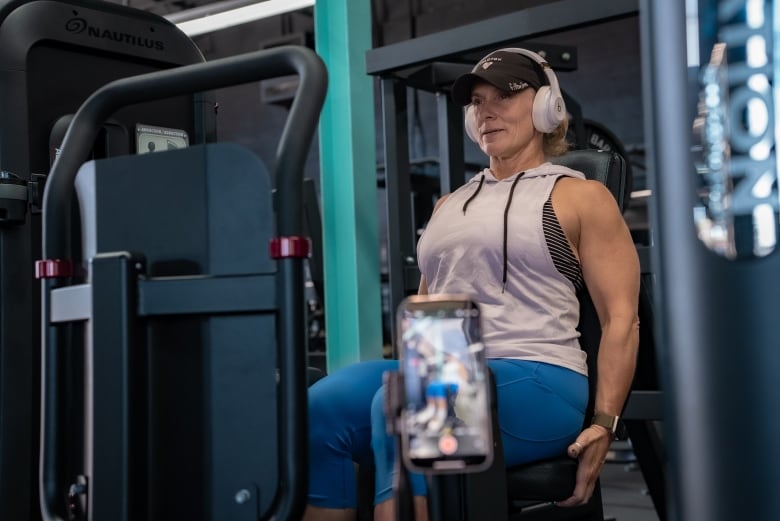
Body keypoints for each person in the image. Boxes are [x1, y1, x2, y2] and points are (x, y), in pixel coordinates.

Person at [303, 47, 640, 521]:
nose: (487, 111)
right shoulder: (449, 205)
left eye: (504, 95)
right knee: (319, 408)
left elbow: (622, 318)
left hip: (542, 376)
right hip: (446, 370)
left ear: (547, 106)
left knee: (403, 402)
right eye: (478, 102)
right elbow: (427, 309)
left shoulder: (579, 195)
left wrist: (606, 422)